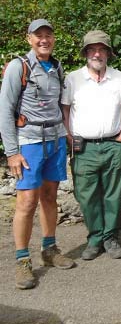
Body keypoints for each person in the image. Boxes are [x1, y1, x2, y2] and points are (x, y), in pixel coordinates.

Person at [0, 19, 75, 290]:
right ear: (29, 38)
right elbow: (5, 110)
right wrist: (11, 152)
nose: (44, 40)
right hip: (29, 141)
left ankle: (49, 248)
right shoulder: (18, 67)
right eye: (39, 36)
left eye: (49, 35)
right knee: (27, 202)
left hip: (55, 141)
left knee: (49, 197)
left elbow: (57, 104)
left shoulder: (56, 66)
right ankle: (22, 260)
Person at [62, 30, 121, 261]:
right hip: (84, 147)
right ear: (86, 53)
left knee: (113, 195)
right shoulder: (73, 78)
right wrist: (69, 137)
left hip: (113, 144)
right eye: (92, 49)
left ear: (107, 53)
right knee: (87, 195)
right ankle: (95, 238)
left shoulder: (119, 77)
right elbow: (64, 110)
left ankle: (110, 238)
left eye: (101, 49)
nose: (97, 54)